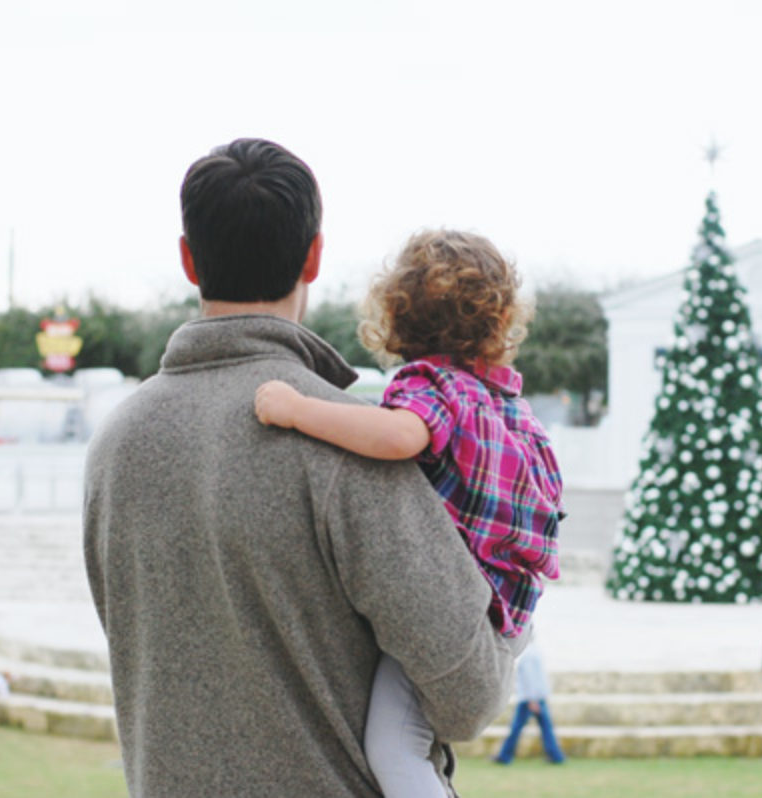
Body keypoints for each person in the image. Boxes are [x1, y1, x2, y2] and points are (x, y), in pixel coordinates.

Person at [84, 138, 525, 798]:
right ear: (314, 256)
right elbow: (467, 696)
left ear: (187, 258)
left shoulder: (115, 445)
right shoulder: (347, 442)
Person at [254, 228, 563, 796]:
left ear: (396, 315)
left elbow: (399, 437)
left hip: (461, 610)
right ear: (498, 320)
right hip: (514, 609)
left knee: (395, 749)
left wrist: (299, 410)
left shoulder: (431, 385)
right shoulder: (504, 401)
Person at [492, 637, 566, 765]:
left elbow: (530, 679)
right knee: (545, 727)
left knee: (516, 728)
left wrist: (532, 699)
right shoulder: (535, 653)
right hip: (537, 697)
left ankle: (505, 755)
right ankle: (555, 755)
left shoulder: (527, 656)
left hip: (529, 698)